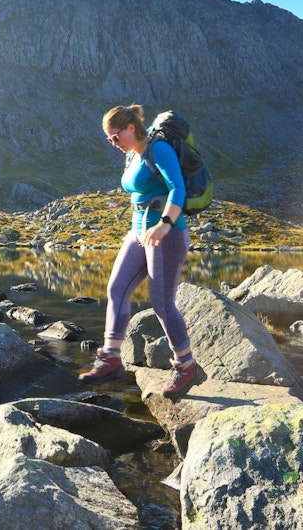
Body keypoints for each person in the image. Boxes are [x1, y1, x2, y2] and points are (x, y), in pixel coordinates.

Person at [79, 104, 204, 397]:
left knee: (162, 303)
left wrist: (164, 223)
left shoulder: (157, 149)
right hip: (138, 231)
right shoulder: (132, 156)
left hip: (167, 233)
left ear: (131, 128)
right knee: (116, 288)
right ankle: (111, 357)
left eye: (115, 135)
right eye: (108, 138)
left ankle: (186, 366)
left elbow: (177, 188)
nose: (113, 142)